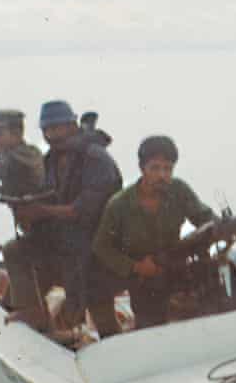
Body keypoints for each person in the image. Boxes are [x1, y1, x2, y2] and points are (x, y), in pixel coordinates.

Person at [3, 100, 122, 339]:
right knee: (15, 250)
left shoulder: (96, 158)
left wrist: (40, 211)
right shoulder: (53, 159)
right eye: (47, 130)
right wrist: (26, 210)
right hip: (66, 239)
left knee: (101, 312)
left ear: (72, 125)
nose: (51, 135)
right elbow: (52, 197)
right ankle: (34, 313)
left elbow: (84, 210)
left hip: (98, 245)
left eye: (57, 128)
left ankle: (113, 344)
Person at [90, 135, 216, 331]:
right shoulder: (120, 204)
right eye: (155, 168)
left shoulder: (179, 190)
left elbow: (205, 217)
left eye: (168, 169)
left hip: (173, 264)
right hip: (139, 275)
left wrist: (224, 228)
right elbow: (102, 246)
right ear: (142, 169)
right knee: (150, 327)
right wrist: (135, 267)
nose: (162, 175)